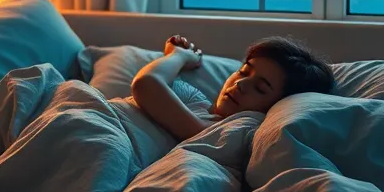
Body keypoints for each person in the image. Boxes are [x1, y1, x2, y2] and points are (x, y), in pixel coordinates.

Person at [130, 34, 335, 143]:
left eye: (261, 88)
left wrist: (179, 56)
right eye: (244, 72)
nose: (240, 84)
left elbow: (146, 84)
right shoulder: (198, 102)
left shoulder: (238, 132)